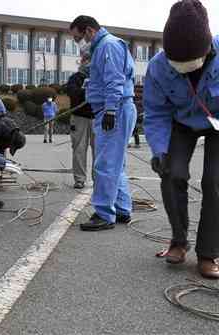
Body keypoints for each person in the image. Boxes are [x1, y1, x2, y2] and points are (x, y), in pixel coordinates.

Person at [144, 0, 219, 278]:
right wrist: (159, 149)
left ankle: (209, 253)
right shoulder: (158, 67)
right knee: (171, 173)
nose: (184, 69)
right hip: (181, 123)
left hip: (218, 124)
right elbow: (156, 112)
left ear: (208, 46)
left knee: (215, 182)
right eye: (178, 64)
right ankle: (178, 240)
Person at [70, 15, 137, 231]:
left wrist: (109, 109)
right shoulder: (102, 48)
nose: (78, 42)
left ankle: (103, 213)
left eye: (78, 37)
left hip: (114, 110)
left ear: (89, 31)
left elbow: (114, 79)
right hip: (115, 108)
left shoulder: (108, 46)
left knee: (105, 164)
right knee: (116, 163)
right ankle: (122, 208)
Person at [67, 46, 95, 189]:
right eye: (86, 59)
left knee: (99, 150)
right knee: (79, 148)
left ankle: (98, 179)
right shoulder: (75, 78)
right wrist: (85, 90)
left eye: (91, 59)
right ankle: (79, 179)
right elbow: (72, 93)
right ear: (82, 60)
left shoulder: (100, 76)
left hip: (98, 117)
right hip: (79, 118)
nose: (88, 62)